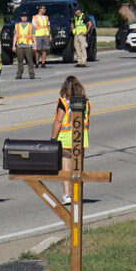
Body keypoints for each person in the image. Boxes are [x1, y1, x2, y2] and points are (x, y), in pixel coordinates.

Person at [51, 76, 91, 205]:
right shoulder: (87, 103)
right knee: (78, 167)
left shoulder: (64, 102)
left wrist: (52, 138)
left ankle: (67, 194)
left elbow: (58, 120)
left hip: (65, 139)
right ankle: (76, 193)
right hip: (80, 139)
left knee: (66, 168)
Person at [12, 11, 37, 79]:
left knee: (30, 61)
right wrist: (13, 46)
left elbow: (33, 36)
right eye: (23, 16)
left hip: (28, 45)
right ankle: (19, 74)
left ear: (27, 18)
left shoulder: (30, 25)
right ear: (21, 17)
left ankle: (31, 74)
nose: (24, 18)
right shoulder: (17, 25)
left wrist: (35, 45)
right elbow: (15, 36)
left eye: (25, 16)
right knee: (20, 61)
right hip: (20, 45)